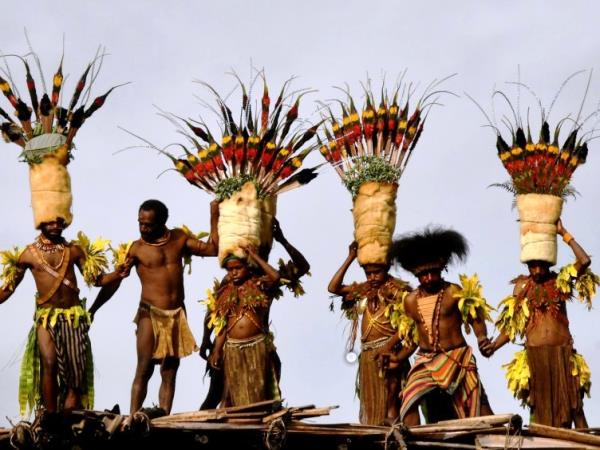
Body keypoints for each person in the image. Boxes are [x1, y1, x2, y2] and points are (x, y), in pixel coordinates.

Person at [89, 199, 219, 416]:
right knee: (145, 367)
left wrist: (214, 213)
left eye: (148, 224)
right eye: (140, 223)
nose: (143, 228)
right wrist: (94, 309)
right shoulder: (136, 249)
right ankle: (133, 418)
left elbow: (213, 249)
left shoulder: (179, 239)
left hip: (177, 314)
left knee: (169, 371)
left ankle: (163, 418)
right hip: (149, 312)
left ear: (162, 222)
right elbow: (116, 281)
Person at [0, 218, 124, 415]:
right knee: (49, 363)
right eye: (50, 223)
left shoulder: (74, 250)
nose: (56, 226)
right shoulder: (27, 255)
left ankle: (68, 414)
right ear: (41, 223)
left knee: (75, 375)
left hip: (73, 318)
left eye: (60, 222)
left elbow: (97, 280)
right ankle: (50, 417)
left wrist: (117, 273)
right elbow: (7, 290)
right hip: (45, 319)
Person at [491, 220, 595, 428]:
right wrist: (493, 346)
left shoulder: (560, 281)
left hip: (563, 355)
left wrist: (564, 233)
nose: (537, 270)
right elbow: (513, 326)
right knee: (539, 410)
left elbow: (583, 261)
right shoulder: (521, 288)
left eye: (541, 265)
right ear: (527, 265)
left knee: (575, 406)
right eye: (532, 265)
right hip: (535, 358)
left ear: (549, 263)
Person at [390, 227, 494, 425]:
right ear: (416, 275)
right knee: (410, 396)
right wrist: (396, 356)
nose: (429, 278)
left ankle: (495, 435)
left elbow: (475, 317)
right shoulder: (410, 301)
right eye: (423, 274)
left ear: (442, 269)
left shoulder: (454, 292)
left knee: (476, 399)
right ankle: (411, 440)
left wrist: (481, 338)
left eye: (433, 273)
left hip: (458, 357)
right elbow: (413, 337)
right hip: (426, 360)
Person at [205, 220, 310, 407]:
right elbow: (222, 320)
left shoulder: (264, 283)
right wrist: (215, 347)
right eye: (230, 269)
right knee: (225, 398)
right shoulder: (227, 286)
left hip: (257, 348)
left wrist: (282, 241)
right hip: (232, 350)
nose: (234, 273)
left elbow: (301, 268)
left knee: (259, 399)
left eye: (238, 268)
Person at [328, 241, 412, 425]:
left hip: (389, 355)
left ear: (387, 267)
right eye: (368, 273)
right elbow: (333, 288)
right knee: (371, 403)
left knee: (392, 399)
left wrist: (390, 346)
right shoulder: (363, 290)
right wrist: (350, 257)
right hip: (367, 356)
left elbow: (411, 322)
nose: (372, 277)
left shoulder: (398, 291)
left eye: (377, 272)